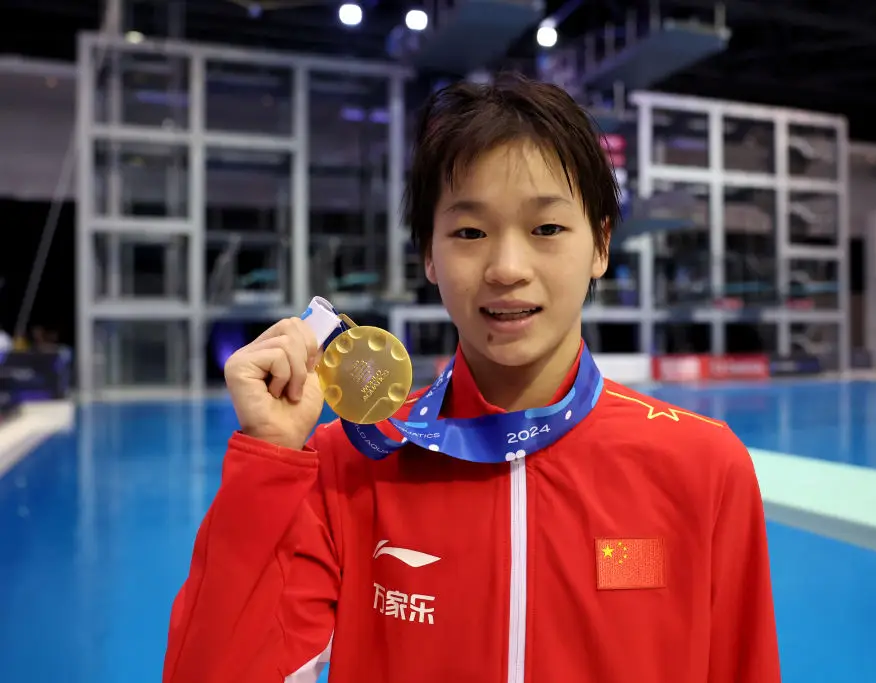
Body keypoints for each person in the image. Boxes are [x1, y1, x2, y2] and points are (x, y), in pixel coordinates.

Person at [162, 73, 780, 683]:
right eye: (469, 232)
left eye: (546, 229)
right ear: (429, 254)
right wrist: (269, 458)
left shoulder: (701, 466)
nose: (507, 268)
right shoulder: (347, 469)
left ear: (600, 244)